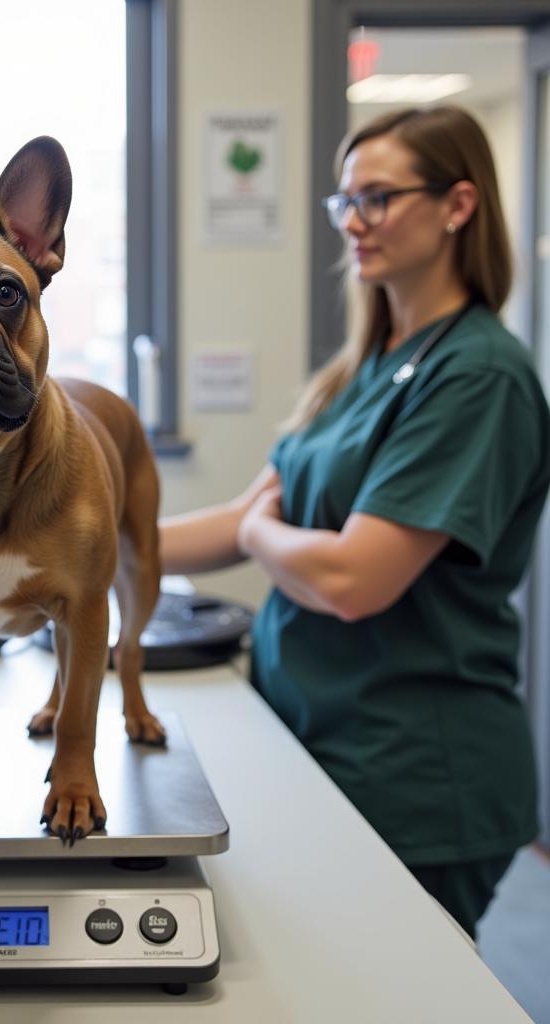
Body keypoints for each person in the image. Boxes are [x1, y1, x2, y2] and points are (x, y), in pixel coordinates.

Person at [160, 105, 549, 939]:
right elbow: (239, 517)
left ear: (458, 205)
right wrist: (73, 549)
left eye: (377, 197)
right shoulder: (367, 361)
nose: (355, 223)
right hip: (318, 735)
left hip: (411, 765)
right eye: (345, 203)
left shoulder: (476, 376)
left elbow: (352, 580)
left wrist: (268, 536)